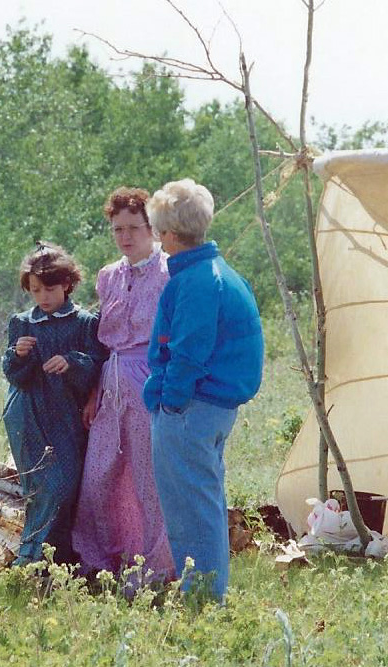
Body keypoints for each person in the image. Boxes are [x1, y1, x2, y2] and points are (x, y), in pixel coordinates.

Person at [143, 179, 264, 601]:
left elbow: (188, 352)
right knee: (204, 506)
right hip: (213, 408)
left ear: (170, 235)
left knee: (188, 511)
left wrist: (169, 403)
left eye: (158, 231)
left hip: (191, 409)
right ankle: (209, 594)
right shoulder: (221, 272)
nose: (157, 239)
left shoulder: (195, 279)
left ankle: (201, 600)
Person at [71, 187, 175, 585]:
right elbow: (102, 341)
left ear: (152, 228)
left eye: (133, 227)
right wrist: (95, 391)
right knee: (100, 475)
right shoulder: (108, 276)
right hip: (111, 380)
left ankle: (156, 568)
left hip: (149, 377)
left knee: (149, 478)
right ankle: (100, 561)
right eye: (117, 229)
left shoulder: (168, 273)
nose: (125, 236)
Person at [2, 243, 107, 566]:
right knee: (38, 486)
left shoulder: (84, 323)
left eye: (49, 288)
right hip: (28, 414)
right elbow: (13, 375)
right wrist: (17, 355)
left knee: (64, 484)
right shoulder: (22, 322)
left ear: (67, 284)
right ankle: (34, 560)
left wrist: (72, 363)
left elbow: (96, 366)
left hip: (66, 415)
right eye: (35, 290)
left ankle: (57, 558)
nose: (43, 297)